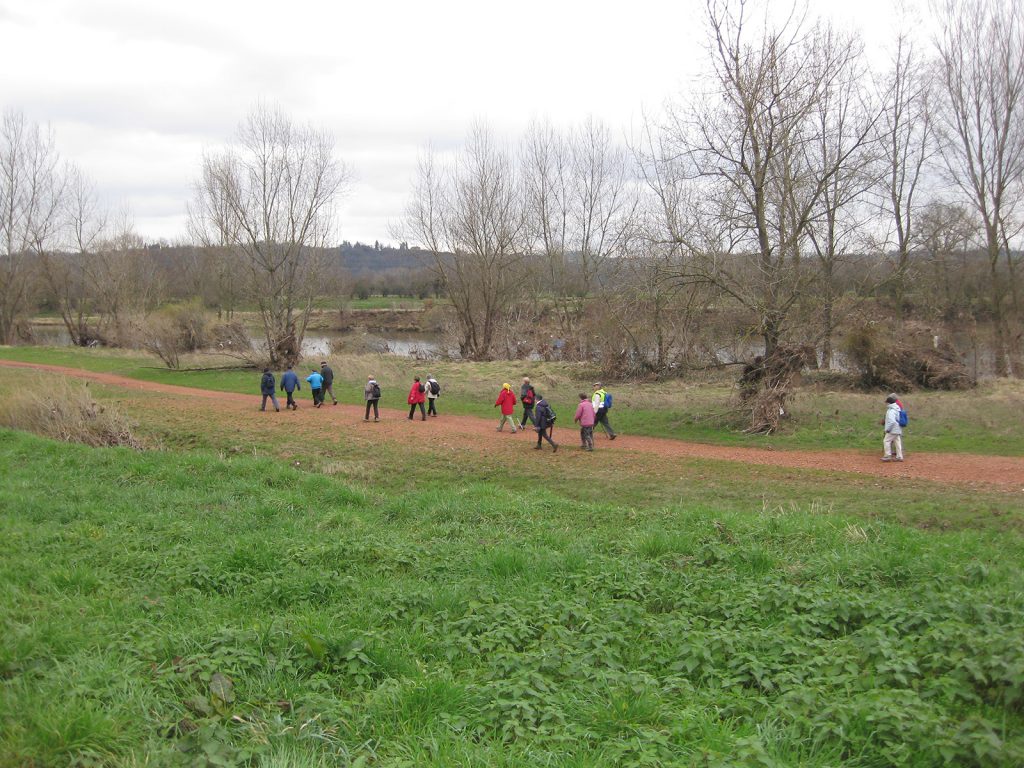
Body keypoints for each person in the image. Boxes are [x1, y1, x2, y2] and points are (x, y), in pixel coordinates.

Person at [882, 395, 904, 462]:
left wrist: (888, 429)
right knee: (897, 442)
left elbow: (892, 421)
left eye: (887, 402)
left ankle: (887, 456)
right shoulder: (897, 408)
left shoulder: (891, 410)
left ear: (889, 403)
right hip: (898, 428)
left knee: (886, 441)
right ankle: (899, 457)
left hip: (893, 429)